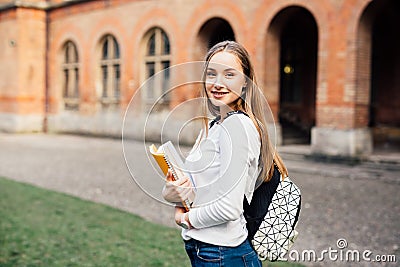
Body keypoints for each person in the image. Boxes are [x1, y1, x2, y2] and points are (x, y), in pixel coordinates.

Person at [162, 41, 287, 266]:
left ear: (246, 83)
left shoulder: (237, 126)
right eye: (212, 74)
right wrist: (171, 192)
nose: (218, 83)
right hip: (206, 250)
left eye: (229, 75)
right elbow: (197, 192)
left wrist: (185, 219)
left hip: (223, 254)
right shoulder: (214, 125)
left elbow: (228, 208)